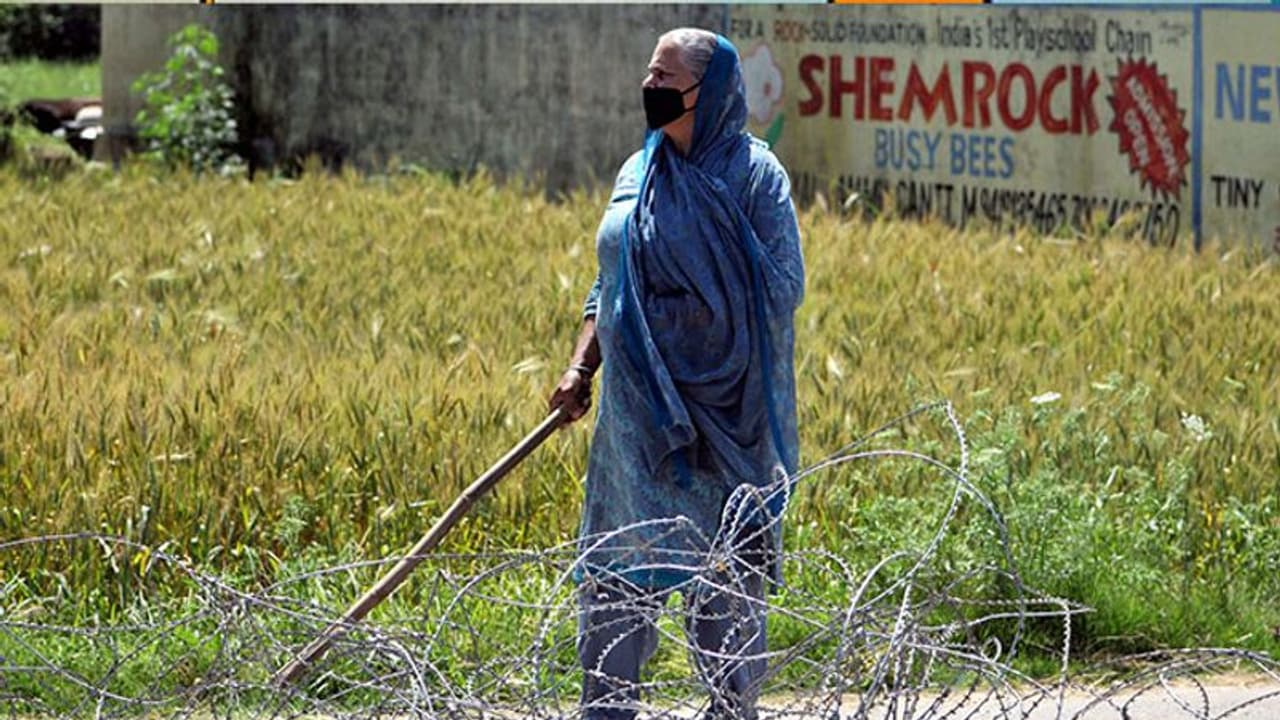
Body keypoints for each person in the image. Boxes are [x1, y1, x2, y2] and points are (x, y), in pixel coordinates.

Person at [548, 27, 805, 720]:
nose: (650, 88)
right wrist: (581, 366)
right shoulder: (639, 171)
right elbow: (610, 285)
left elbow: (783, 288)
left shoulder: (756, 179)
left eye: (665, 79)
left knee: (723, 598)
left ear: (708, 92)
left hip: (720, 428)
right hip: (635, 430)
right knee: (614, 590)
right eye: (649, 75)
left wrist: (689, 310)